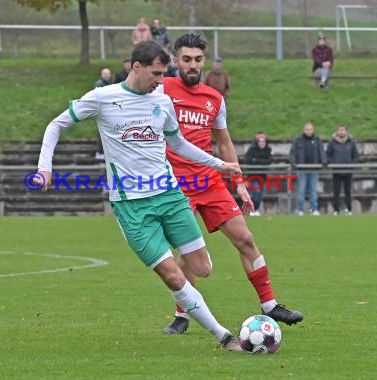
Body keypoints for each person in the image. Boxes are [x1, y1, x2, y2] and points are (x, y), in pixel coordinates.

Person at [34, 41, 244, 351]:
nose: (161, 82)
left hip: (170, 195)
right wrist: (44, 168)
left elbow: (179, 144)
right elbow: (56, 124)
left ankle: (169, 261)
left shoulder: (161, 101)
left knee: (202, 268)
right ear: (136, 67)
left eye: (163, 75)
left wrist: (218, 164)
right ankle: (224, 336)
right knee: (173, 277)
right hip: (132, 206)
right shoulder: (104, 98)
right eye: (156, 74)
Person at [160, 33, 303, 335]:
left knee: (246, 239)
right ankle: (182, 314)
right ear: (176, 61)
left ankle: (269, 305)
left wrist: (239, 183)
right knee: (188, 252)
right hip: (175, 185)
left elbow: (224, 144)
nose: (192, 65)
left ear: (205, 62)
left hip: (210, 182)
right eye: (186, 59)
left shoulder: (214, 98)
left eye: (198, 59)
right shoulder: (161, 88)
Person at [289, 122, 326, 216]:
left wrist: (324, 161)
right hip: (302, 169)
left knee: (313, 190)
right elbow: (293, 152)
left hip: (314, 169)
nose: (309, 131)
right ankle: (300, 209)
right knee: (301, 190)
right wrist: (293, 162)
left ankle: (314, 209)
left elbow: (321, 151)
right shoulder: (298, 140)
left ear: (313, 130)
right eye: (307, 129)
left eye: (310, 129)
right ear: (304, 130)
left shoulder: (317, 139)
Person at [326, 125, 359, 216]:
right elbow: (328, 155)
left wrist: (352, 164)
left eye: (343, 130)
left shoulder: (351, 142)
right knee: (336, 191)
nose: (341, 132)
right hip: (336, 171)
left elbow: (356, 156)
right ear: (337, 131)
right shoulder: (332, 143)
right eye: (339, 130)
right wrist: (332, 163)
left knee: (348, 191)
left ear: (346, 131)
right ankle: (336, 210)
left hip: (348, 171)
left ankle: (349, 209)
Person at [244, 132, 273, 217]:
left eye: (263, 142)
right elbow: (248, 160)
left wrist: (256, 161)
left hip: (263, 175)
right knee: (256, 192)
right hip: (253, 175)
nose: (262, 144)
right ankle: (253, 210)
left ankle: (255, 209)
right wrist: (261, 162)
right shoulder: (252, 149)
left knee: (260, 194)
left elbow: (270, 160)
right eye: (260, 142)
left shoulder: (268, 149)